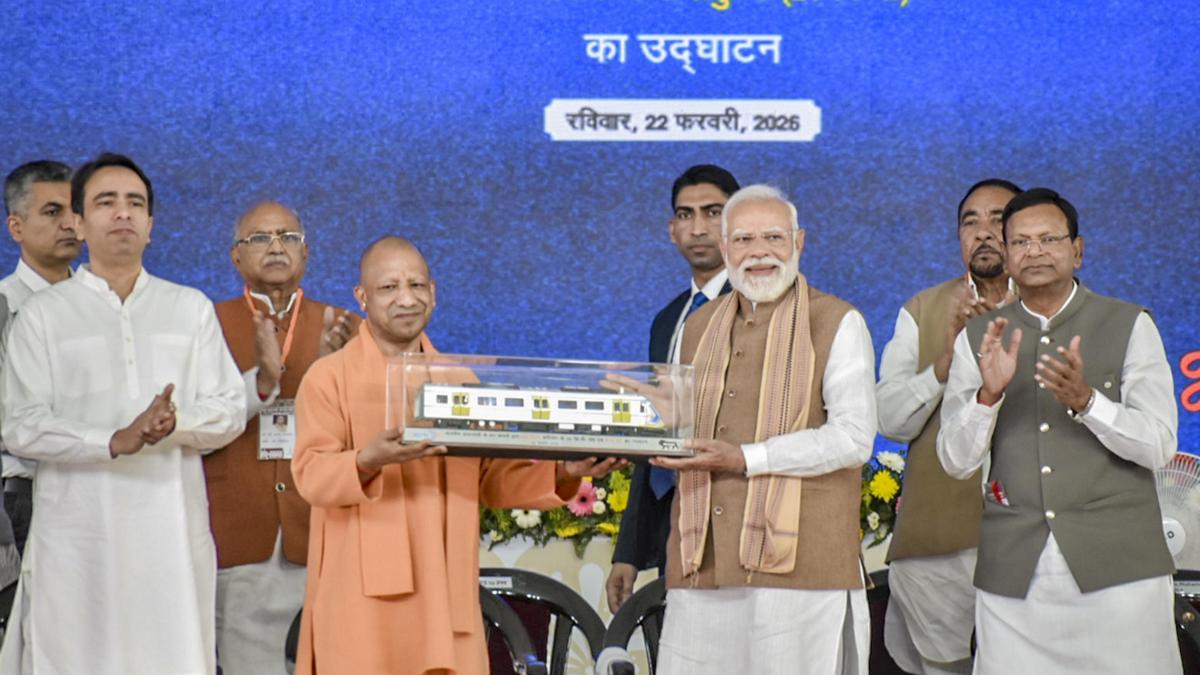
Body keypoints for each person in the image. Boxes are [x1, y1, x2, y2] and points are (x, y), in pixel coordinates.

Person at [290, 236, 618, 674]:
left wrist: (563, 470)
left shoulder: (459, 380)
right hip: (361, 601)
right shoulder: (328, 378)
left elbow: (492, 479)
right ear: (362, 297)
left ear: (434, 292)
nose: (406, 298)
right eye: (388, 288)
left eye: (416, 285)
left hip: (444, 590)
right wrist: (367, 460)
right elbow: (311, 475)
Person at [0, 153, 246, 674]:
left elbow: (228, 411)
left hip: (170, 539)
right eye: (105, 202)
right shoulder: (43, 316)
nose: (122, 213)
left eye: (135, 203)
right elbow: (20, 425)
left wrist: (176, 424)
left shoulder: (189, 308)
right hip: (76, 542)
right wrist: (113, 439)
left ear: (151, 226)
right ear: (79, 222)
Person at [938, 188, 1181, 673]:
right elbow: (955, 460)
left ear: (1078, 250)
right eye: (1021, 242)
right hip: (1014, 575)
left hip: (1121, 572)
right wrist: (987, 397)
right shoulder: (979, 338)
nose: (1035, 251)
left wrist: (1088, 402)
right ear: (1007, 255)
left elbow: (1158, 445)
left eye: (1048, 239)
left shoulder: (1130, 324)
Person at [651, 185, 877, 674]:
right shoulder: (696, 326)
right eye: (744, 239)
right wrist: (649, 422)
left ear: (799, 242)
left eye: (773, 237)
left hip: (801, 571)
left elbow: (853, 438)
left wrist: (746, 458)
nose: (759, 252)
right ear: (725, 247)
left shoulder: (837, 321)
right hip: (702, 564)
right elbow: (682, 429)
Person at [204, 201, 359, 674]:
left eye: (287, 237)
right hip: (239, 530)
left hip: (323, 531)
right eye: (260, 238)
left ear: (306, 252)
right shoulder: (205, 324)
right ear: (235, 256)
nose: (275, 246)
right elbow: (191, 421)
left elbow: (368, 430)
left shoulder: (346, 326)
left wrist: (337, 375)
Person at [875, 178, 1020, 674]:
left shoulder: (1054, 307)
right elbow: (890, 420)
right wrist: (946, 360)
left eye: (998, 219)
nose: (983, 232)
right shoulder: (922, 309)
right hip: (937, 543)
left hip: (1036, 542)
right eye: (969, 222)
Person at [607, 164, 738, 613]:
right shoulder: (668, 320)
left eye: (713, 212)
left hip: (735, 520)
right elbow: (657, 431)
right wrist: (628, 551)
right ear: (671, 230)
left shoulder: (761, 307)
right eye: (686, 214)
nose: (698, 228)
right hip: (673, 526)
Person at [0, 160, 80, 558]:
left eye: (75, 211)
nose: (70, 224)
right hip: (27, 498)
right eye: (52, 212)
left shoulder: (108, 305)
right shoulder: (4, 306)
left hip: (105, 489)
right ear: (16, 227)